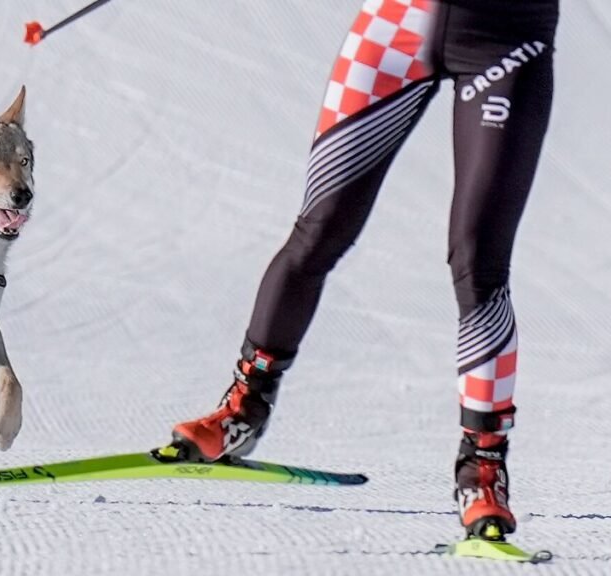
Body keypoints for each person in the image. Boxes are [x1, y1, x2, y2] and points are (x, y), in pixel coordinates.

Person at [162, 0, 559, 542]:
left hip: (505, 40)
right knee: (318, 232)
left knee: (478, 263)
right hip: (395, 30)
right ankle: (243, 407)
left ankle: (482, 468)